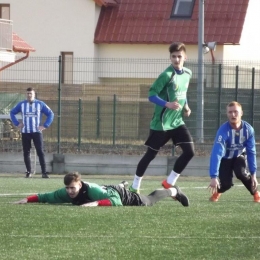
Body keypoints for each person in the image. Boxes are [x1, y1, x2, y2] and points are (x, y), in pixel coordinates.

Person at [129, 42, 194, 200]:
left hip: (177, 122)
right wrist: (167, 104)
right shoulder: (167, 75)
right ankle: (135, 186)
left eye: (179, 56)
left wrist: (186, 106)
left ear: (185, 57)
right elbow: (151, 95)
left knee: (190, 152)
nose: (176, 59)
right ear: (170, 57)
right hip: (162, 124)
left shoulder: (188, 73)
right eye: (173, 56)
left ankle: (169, 182)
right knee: (150, 155)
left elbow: (183, 92)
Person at [13, 172, 189, 207]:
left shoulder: (92, 191)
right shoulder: (65, 192)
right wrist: (27, 199)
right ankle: (122, 184)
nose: (69, 192)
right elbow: (46, 196)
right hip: (109, 189)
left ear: (80, 185)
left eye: (72, 188)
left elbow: (116, 202)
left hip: (119, 196)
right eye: (67, 188)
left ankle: (174, 191)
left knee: (149, 200)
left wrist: (94, 204)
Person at [208, 101, 260, 203]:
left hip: (239, 156)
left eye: (236, 112)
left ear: (241, 113)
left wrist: (253, 174)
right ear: (227, 114)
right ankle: (218, 192)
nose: (233, 114)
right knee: (227, 184)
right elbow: (217, 153)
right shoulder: (223, 131)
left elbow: (251, 152)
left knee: (241, 173)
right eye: (230, 112)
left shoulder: (248, 130)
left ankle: (256, 193)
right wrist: (214, 176)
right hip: (225, 158)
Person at [10, 87, 54, 179]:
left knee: (40, 151)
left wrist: (45, 125)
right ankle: (28, 172)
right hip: (25, 132)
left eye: (31, 94)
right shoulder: (21, 104)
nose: (29, 95)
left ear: (34, 94)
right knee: (26, 152)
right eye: (27, 94)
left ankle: (44, 172)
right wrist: (17, 123)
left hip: (37, 132)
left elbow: (51, 113)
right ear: (26, 94)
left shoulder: (40, 104)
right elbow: (12, 112)